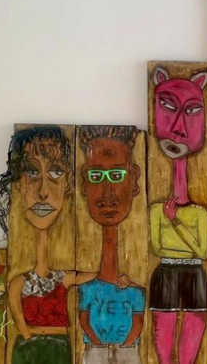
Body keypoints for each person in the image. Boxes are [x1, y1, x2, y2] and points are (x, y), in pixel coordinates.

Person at [0, 126, 92, 364]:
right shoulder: (19, 282)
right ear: (18, 182)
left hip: (59, 346)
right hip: (29, 348)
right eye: (31, 171)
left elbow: (89, 277)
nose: (43, 192)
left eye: (56, 172)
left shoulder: (62, 278)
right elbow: (17, 314)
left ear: (67, 182)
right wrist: (28, 337)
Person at [149, 68, 207, 364]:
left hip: (195, 274)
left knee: (191, 343)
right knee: (163, 344)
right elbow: (157, 248)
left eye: (192, 111)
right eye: (168, 107)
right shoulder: (155, 211)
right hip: (166, 273)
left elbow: (203, 251)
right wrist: (184, 239)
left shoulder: (200, 213)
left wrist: (173, 221)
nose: (178, 127)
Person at [77, 126, 145, 364]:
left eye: (117, 176)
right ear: (84, 183)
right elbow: (83, 319)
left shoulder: (137, 289)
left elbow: (139, 321)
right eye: (96, 177)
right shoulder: (86, 289)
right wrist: (97, 344)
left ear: (134, 179)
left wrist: (126, 346)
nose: (107, 197)